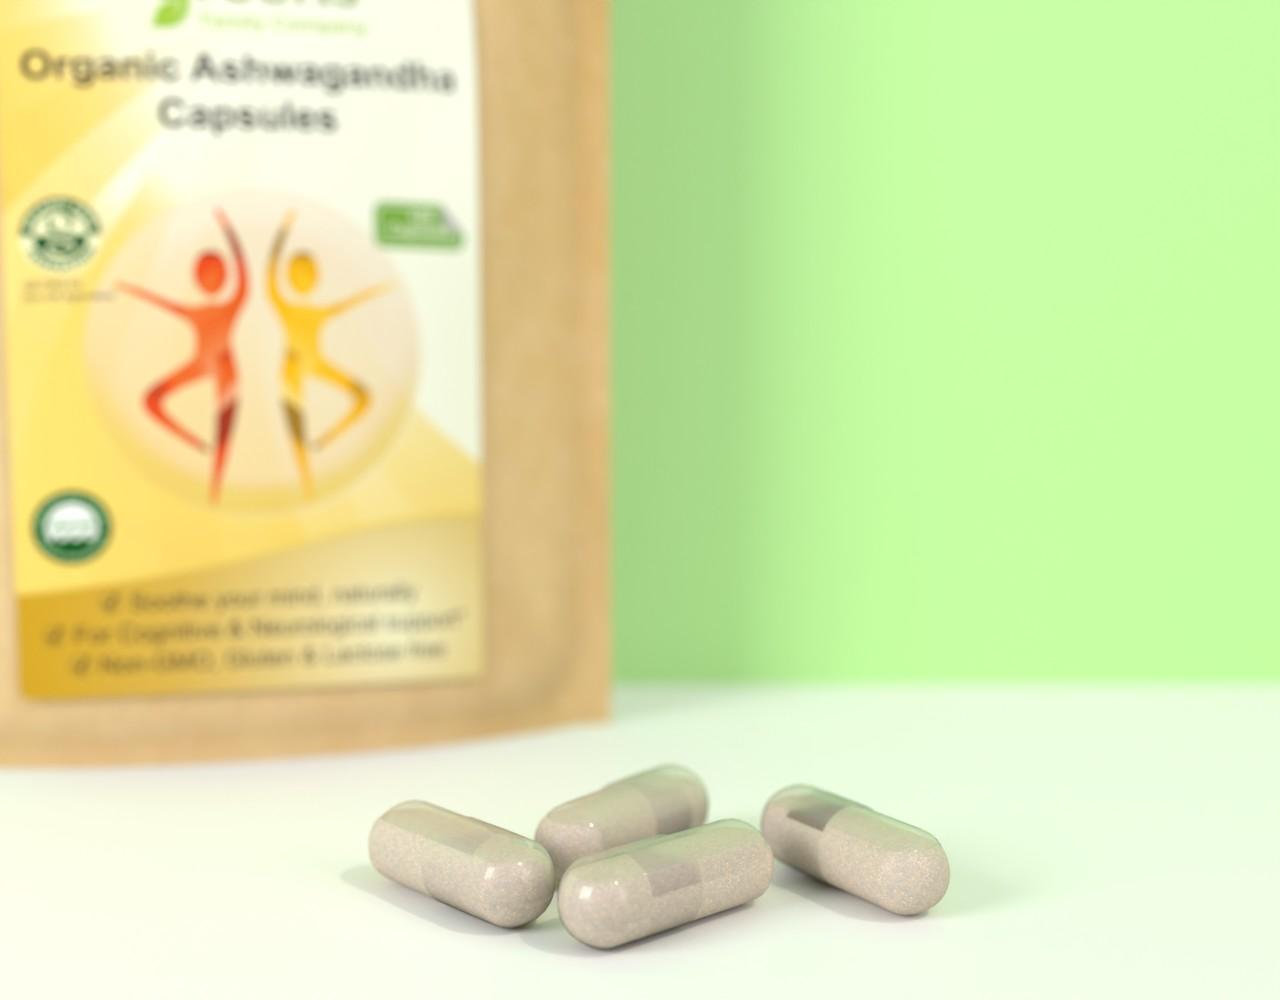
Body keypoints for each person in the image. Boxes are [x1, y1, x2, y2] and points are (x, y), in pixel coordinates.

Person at [117, 209, 247, 502]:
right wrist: (132, 290)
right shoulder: (197, 311)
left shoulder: (232, 304)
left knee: (224, 432)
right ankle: (196, 443)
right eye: (205, 273)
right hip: (199, 365)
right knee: (152, 400)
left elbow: (244, 277)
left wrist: (229, 229)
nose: (210, 278)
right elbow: (164, 304)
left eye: (215, 272)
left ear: (223, 275)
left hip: (226, 370)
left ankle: (216, 487)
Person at [267, 211, 389, 491]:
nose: (304, 277)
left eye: (308, 272)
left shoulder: (317, 312)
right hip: (293, 370)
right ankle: (305, 480)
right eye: (298, 272)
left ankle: (325, 440)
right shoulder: (284, 306)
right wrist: (282, 232)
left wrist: (376, 290)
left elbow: (347, 304)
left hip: (317, 363)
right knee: (296, 428)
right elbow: (270, 276)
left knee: (363, 396)